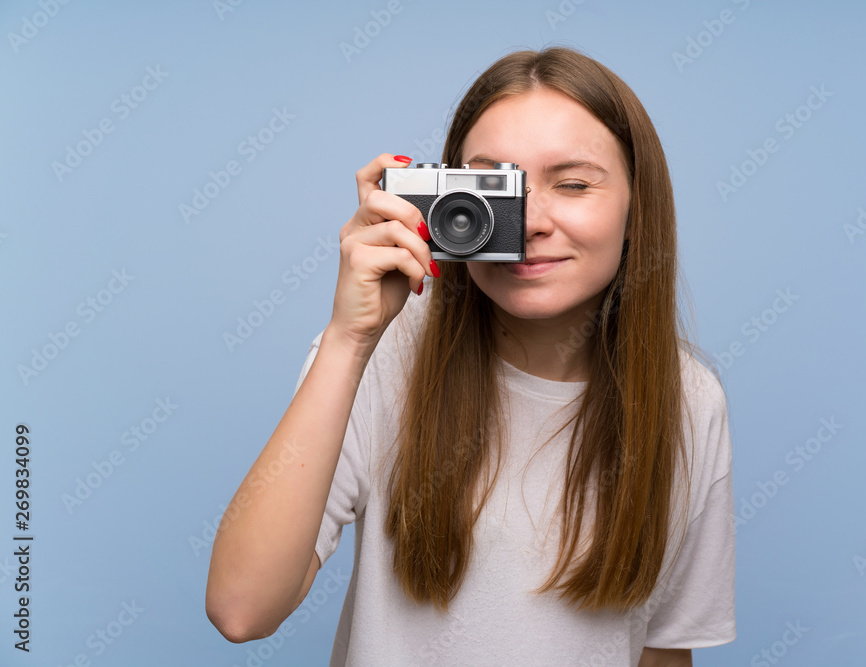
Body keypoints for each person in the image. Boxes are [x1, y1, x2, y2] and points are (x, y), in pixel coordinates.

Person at [206, 46, 735, 666]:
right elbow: (242, 609)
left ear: (635, 206)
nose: (531, 222)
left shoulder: (689, 400)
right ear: (446, 200)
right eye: (494, 189)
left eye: (572, 184)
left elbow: (660, 651)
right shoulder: (379, 357)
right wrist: (349, 340)